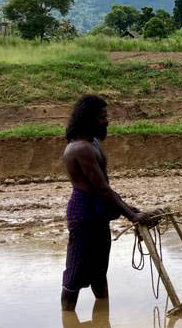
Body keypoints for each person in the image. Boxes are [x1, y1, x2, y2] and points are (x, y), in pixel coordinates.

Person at [61, 94, 144, 310]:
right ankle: (68, 319)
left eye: (105, 116)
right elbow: (102, 189)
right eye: (101, 117)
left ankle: (102, 322)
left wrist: (127, 207)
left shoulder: (94, 143)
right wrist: (131, 215)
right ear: (88, 119)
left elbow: (105, 187)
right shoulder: (80, 148)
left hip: (98, 211)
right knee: (75, 272)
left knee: (99, 270)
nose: (106, 121)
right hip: (84, 214)